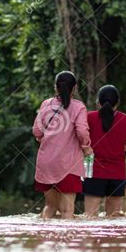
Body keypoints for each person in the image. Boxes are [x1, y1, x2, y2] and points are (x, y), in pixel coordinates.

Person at [33, 71, 92, 219]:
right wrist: (86, 147)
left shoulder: (46, 104)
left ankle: (45, 241)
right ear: (75, 88)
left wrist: (45, 140)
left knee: (49, 207)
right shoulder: (78, 107)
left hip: (46, 162)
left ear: (56, 87)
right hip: (68, 164)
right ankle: (68, 240)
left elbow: (37, 131)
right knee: (67, 211)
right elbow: (82, 132)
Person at [83, 84, 126, 217]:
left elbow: (80, 139)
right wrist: (116, 148)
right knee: (114, 218)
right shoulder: (124, 119)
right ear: (117, 102)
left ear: (98, 102)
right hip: (117, 175)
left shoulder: (90, 117)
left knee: (90, 217)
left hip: (94, 173)